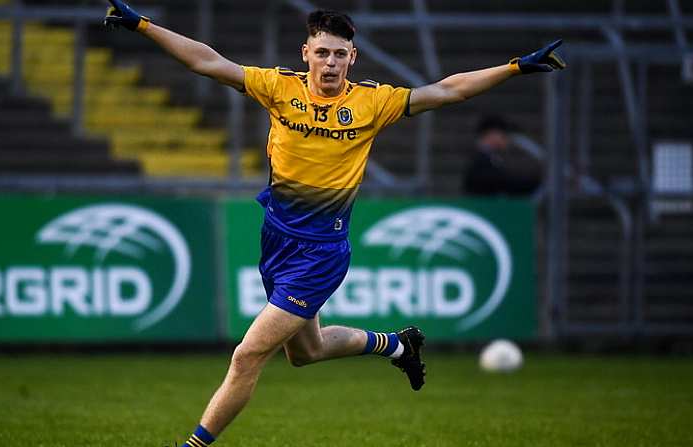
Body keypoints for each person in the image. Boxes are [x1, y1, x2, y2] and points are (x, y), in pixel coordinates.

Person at [104, 2, 565, 446]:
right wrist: (143, 25)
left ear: (352, 57)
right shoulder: (278, 87)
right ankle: (397, 345)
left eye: (339, 54)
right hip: (277, 244)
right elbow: (206, 61)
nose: (330, 63)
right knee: (307, 352)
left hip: (320, 254)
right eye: (321, 52)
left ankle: (194, 445)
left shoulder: (372, 102)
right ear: (306, 52)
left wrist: (514, 68)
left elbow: (448, 90)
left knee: (246, 356)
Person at [462, 115, 543, 196]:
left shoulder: (490, 158)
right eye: (504, 135)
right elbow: (503, 182)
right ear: (492, 134)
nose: (508, 140)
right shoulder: (480, 161)